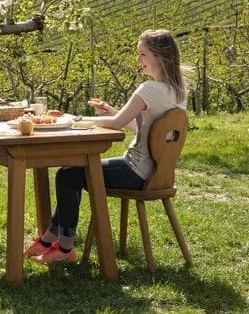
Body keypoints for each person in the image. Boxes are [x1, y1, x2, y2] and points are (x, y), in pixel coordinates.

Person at [27, 29, 188, 264]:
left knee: (68, 175)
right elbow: (146, 131)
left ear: (159, 56)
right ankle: (48, 239)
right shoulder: (178, 91)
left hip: (135, 171)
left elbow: (115, 125)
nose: (139, 60)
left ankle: (63, 249)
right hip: (157, 173)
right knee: (71, 172)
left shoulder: (149, 89)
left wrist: (76, 119)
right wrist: (115, 112)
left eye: (143, 54)